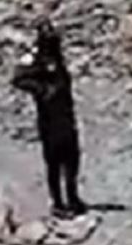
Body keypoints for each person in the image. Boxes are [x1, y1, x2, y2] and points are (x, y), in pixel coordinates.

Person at [11, 19, 85, 216]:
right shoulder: (35, 57)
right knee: (54, 162)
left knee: (73, 160)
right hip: (49, 120)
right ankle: (58, 203)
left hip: (66, 117)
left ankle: (73, 197)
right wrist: (41, 90)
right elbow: (18, 78)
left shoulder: (57, 57)